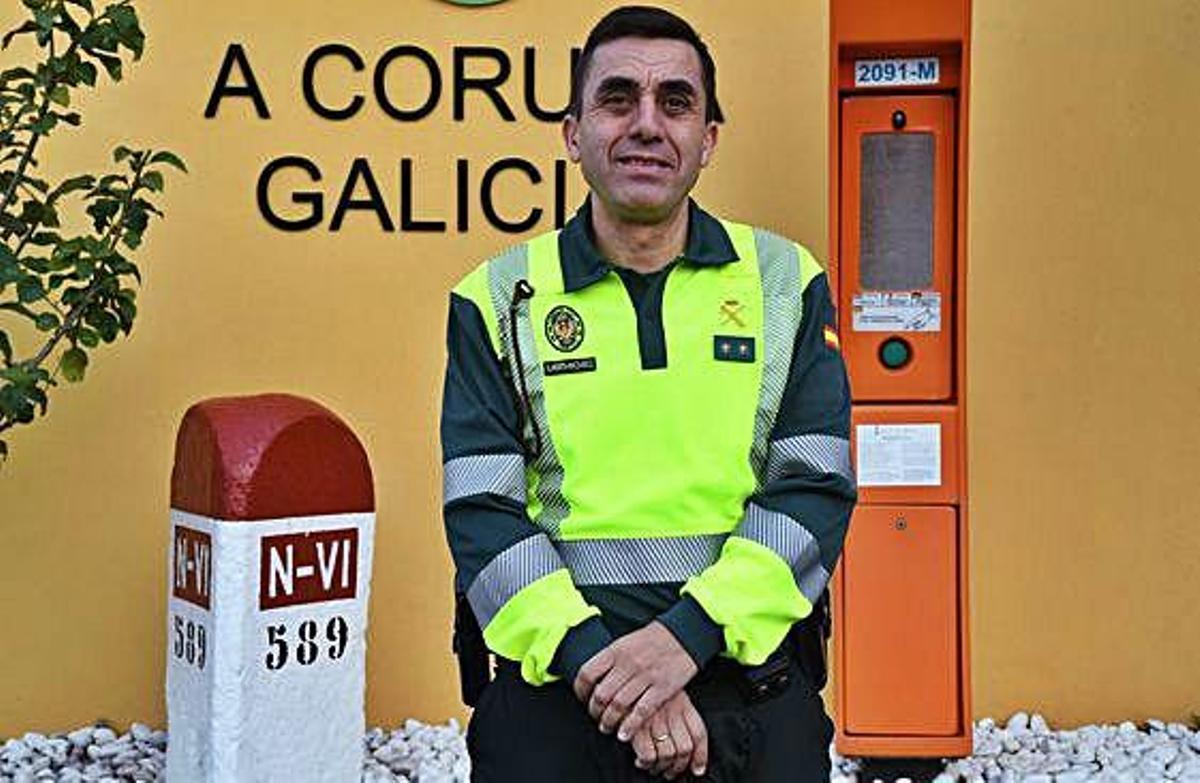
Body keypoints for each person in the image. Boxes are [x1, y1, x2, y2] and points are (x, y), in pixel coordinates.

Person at [440, 6, 857, 781]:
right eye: (617, 98)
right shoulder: (497, 298)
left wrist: (684, 638)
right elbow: (481, 514)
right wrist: (610, 672)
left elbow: (814, 491)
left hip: (748, 690)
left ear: (708, 139)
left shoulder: (785, 284)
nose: (645, 124)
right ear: (572, 133)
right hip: (561, 698)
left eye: (675, 102)